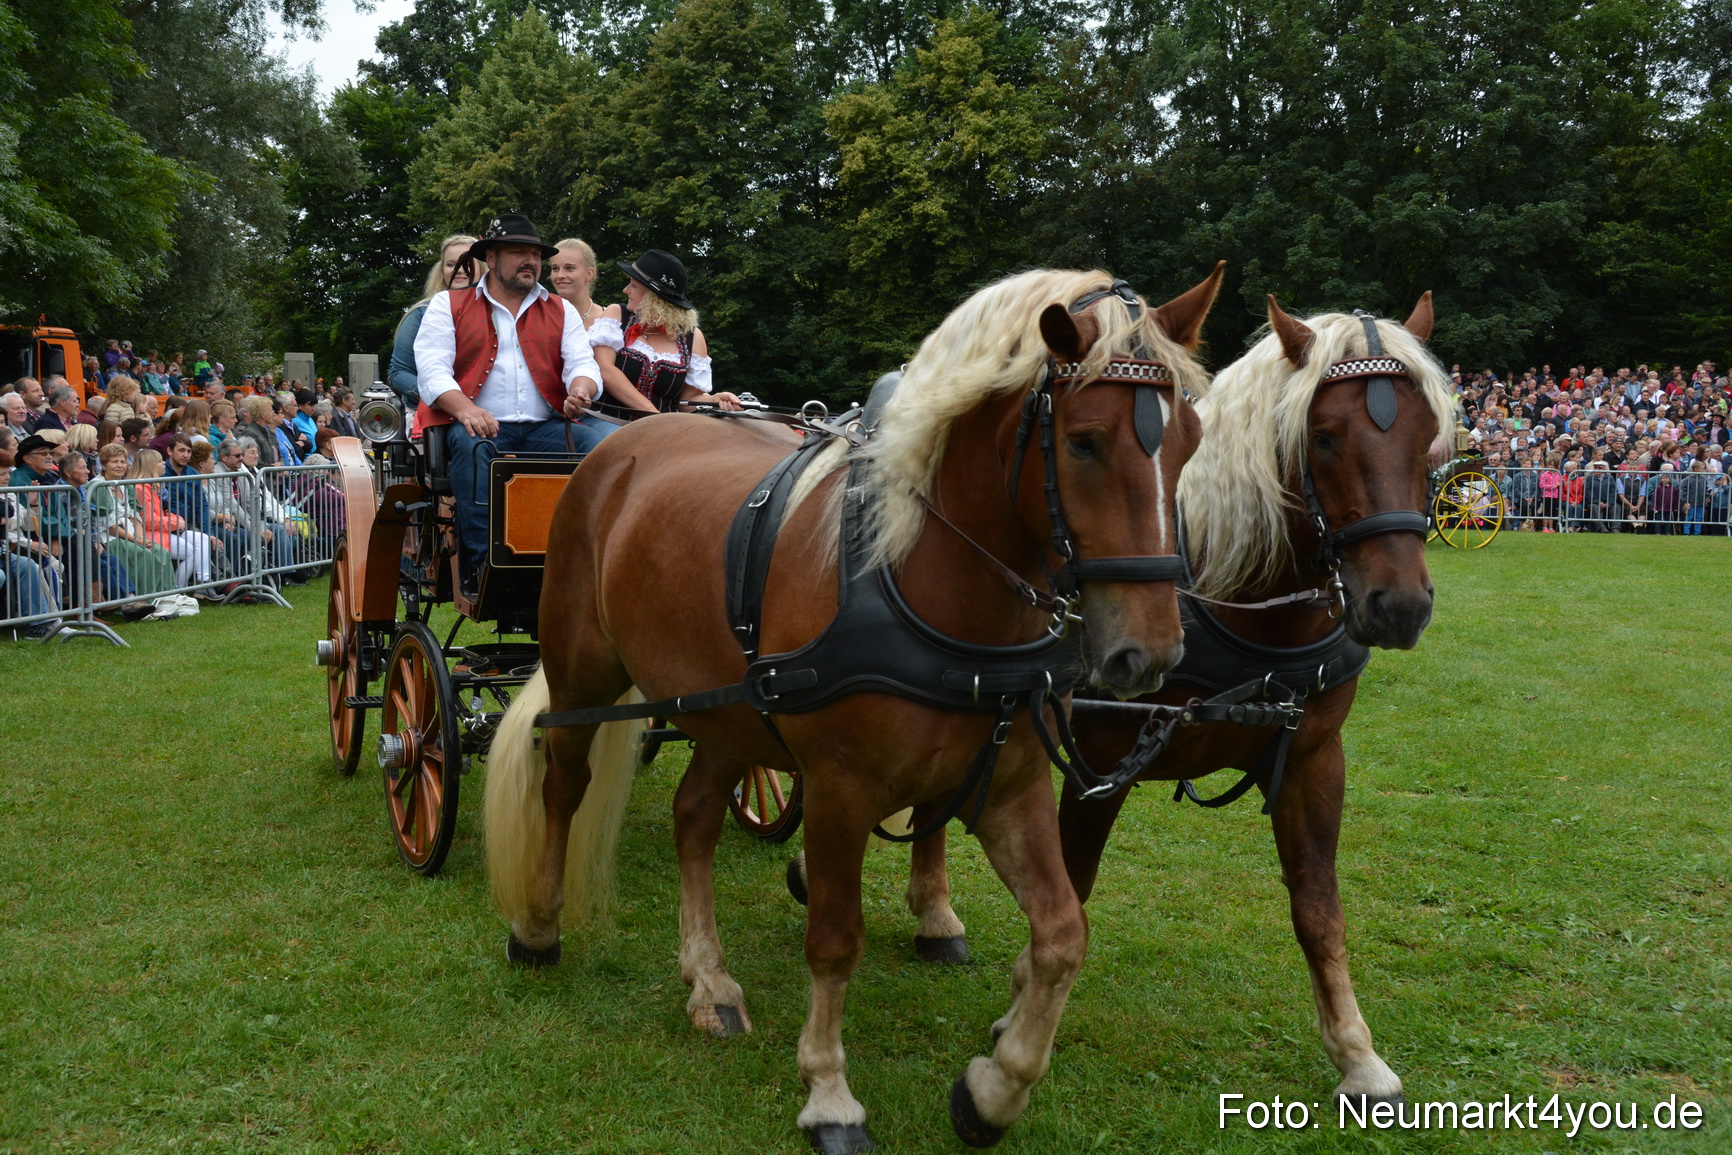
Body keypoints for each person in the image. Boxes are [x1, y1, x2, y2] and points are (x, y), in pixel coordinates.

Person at [411, 213, 609, 588]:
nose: (530, 261)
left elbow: (583, 364)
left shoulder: (560, 309)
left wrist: (581, 389)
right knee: (474, 446)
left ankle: (583, 563)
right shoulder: (447, 304)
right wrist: (466, 409)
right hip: (478, 427)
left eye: (534, 254)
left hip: (545, 428)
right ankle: (485, 566)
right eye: (519, 252)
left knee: (596, 446)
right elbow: (432, 373)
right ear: (492, 258)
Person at [589, 248, 743, 419]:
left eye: (633, 285)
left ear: (653, 297)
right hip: (608, 423)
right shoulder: (617, 315)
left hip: (661, 433)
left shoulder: (692, 338)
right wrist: (655, 416)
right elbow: (605, 369)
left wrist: (714, 400)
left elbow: (687, 402)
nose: (626, 290)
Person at [389, 233, 478, 402]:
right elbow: (398, 372)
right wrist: (438, 397)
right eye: (451, 264)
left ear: (482, 267)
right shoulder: (421, 313)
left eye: (467, 263)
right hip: (432, 413)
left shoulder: (498, 312)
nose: (459, 269)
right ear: (442, 270)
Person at [129, 449, 215, 588]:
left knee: (203, 539)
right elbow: (148, 521)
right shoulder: (140, 488)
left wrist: (176, 519)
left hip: (164, 530)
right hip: (151, 534)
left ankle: (205, 582)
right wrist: (175, 522)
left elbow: (162, 514)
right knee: (190, 552)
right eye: (159, 461)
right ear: (149, 466)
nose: (164, 463)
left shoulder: (154, 486)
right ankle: (176, 590)